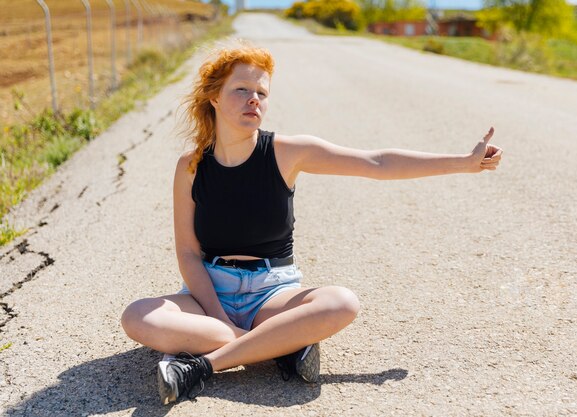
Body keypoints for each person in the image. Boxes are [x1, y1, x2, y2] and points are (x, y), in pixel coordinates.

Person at [120, 41, 503, 405]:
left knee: (341, 303)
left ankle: (202, 367)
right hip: (208, 294)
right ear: (214, 97)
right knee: (137, 316)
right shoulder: (190, 166)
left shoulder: (288, 153)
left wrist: (463, 162)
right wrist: (219, 314)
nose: (254, 98)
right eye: (241, 89)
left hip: (273, 294)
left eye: (262, 92)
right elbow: (188, 253)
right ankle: (279, 347)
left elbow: (377, 163)